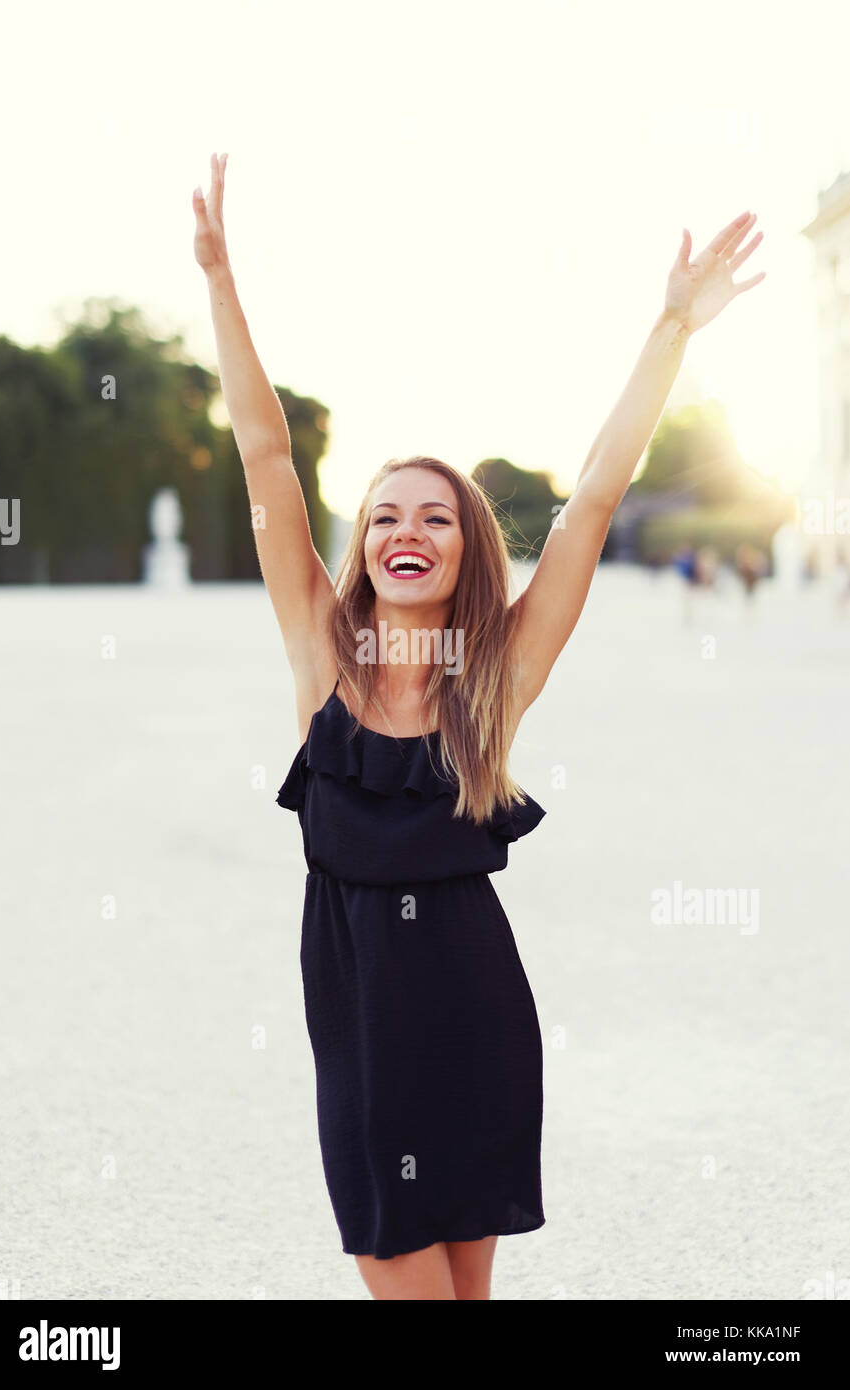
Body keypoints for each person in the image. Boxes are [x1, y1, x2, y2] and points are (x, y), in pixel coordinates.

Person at [192, 153, 765, 1300]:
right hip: (359, 1028)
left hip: (472, 1018)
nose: (406, 531)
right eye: (383, 515)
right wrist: (219, 280)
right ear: (360, 546)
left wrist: (669, 329)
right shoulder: (318, 655)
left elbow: (593, 499)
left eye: (435, 519)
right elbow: (264, 454)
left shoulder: (492, 680)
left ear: (464, 551)